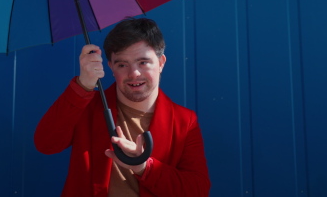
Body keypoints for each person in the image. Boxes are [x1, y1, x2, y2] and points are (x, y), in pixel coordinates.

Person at [34, 18, 210, 196]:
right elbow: (46, 144)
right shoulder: (86, 105)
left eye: (143, 62)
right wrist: (83, 85)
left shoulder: (184, 121)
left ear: (161, 62)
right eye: (122, 64)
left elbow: (197, 190)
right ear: (110, 66)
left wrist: (143, 167)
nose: (133, 73)